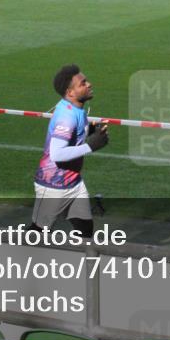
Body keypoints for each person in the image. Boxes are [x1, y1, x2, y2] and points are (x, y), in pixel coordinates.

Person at [31, 64, 108, 236]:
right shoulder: (66, 117)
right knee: (37, 234)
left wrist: (90, 130)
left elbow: (75, 131)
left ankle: (90, 263)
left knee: (86, 231)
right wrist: (91, 145)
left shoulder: (75, 108)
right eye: (83, 83)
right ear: (70, 92)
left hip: (74, 182)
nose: (89, 84)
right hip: (53, 186)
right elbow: (57, 154)